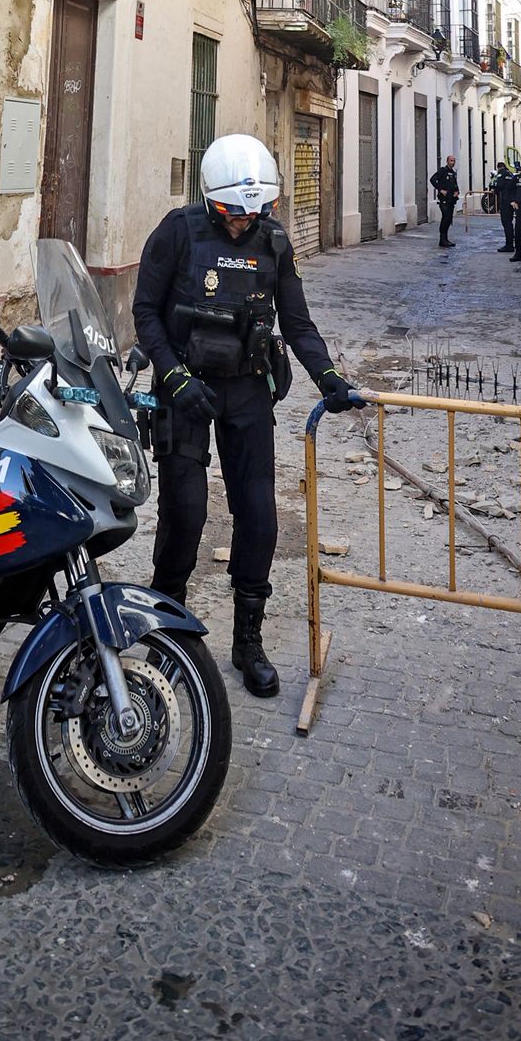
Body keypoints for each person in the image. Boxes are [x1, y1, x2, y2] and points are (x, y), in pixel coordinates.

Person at [133, 133, 359, 698]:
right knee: (185, 513)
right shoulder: (177, 232)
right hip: (185, 390)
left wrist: (328, 377)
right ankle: (166, 637)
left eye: (252, 214)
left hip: (248, 390)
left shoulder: (274, 242)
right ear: (212, 200)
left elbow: (298, 323)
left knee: (258, 516)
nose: (242, 223)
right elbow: (145, 312)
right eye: (233, 213)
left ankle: (247, 641)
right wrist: (173, 377)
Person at [430, 151, 460, 246]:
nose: (453, 162)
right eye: (451, 160)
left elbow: (455, 184)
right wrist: (440, 190)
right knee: (445, 218)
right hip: (443, 199)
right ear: (447, 161)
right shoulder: (442, 171)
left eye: (454, 161)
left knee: (449, 219)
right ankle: (442, 239)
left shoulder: (453, 173)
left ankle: (445, 239)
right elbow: (432, 179)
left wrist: (457, 191)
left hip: (451, 199)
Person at [494, 157, 520, 254]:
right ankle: (511, 243)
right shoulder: (511, 174)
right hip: (512, 200)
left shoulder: (501, 174)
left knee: (506, 223)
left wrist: (495, 190)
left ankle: (509, 245)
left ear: (499, 168)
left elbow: (499, 185)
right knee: (510, 222)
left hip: (505, 201)